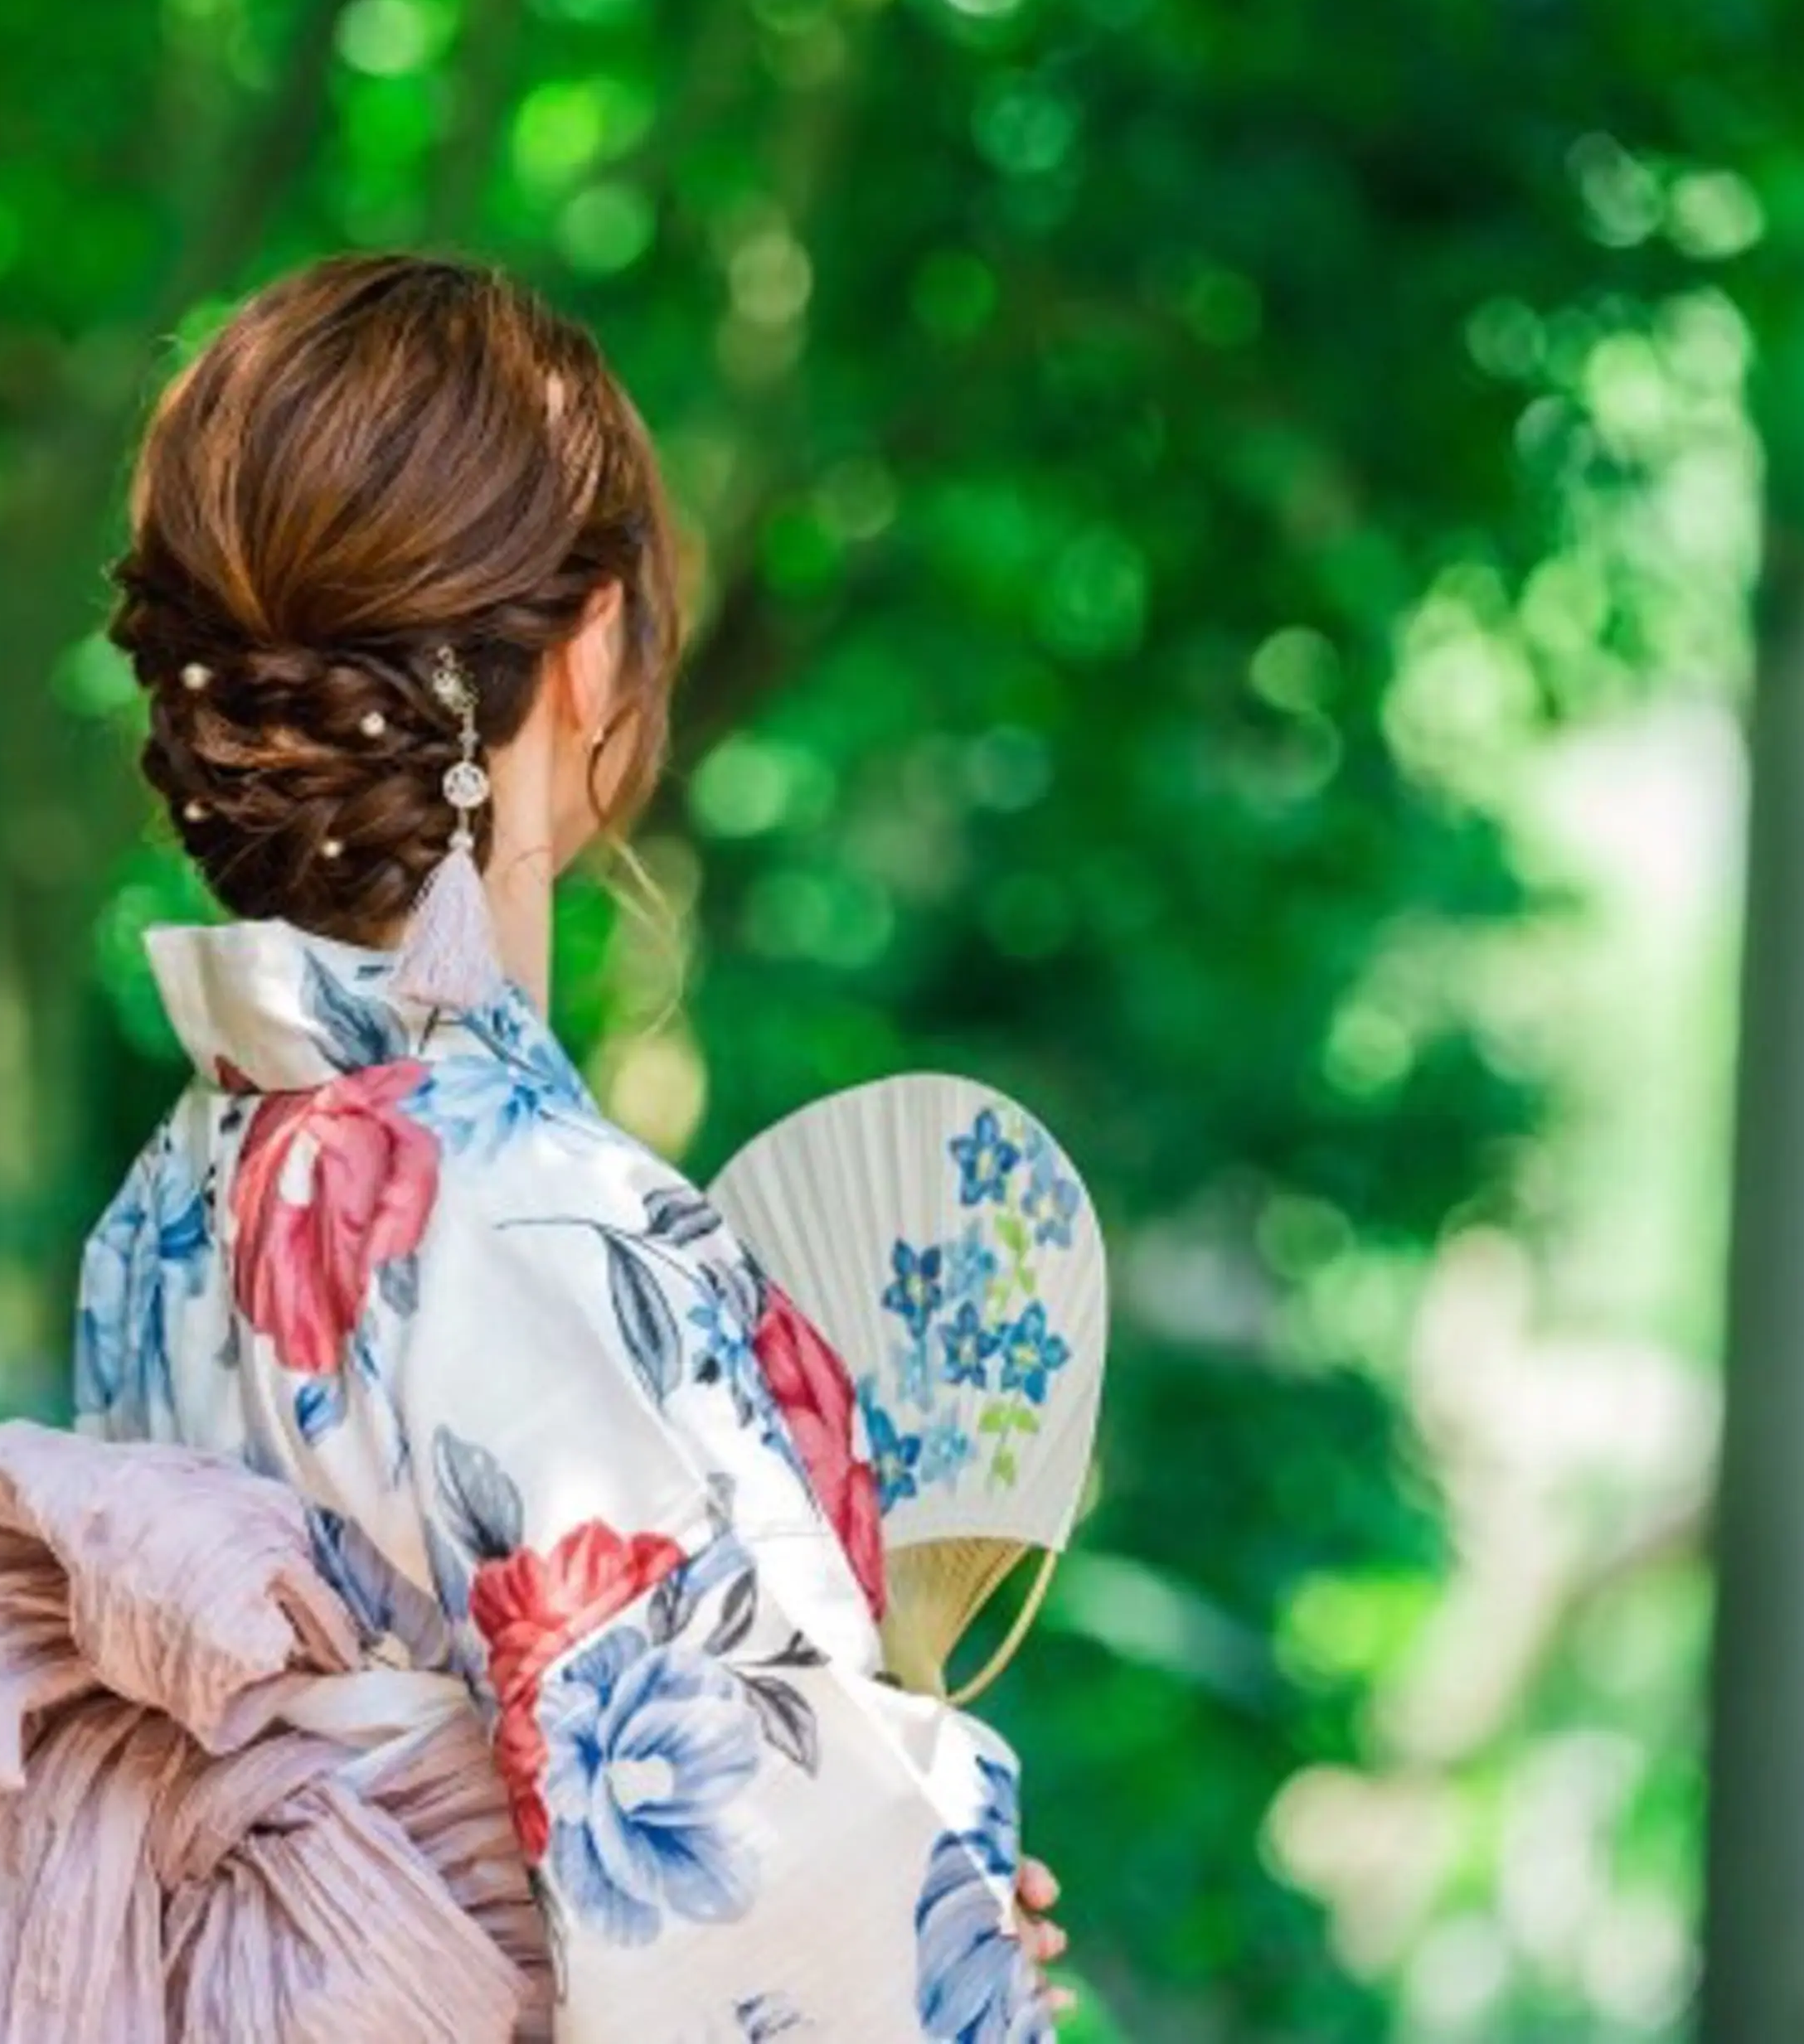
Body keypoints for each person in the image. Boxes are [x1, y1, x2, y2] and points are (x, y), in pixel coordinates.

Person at [78, 251, 1071, 2039]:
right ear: (595, 642)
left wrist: (918, 1883)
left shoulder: (173, 1200)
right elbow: (764, 1940)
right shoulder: (531, 1218)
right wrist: (934, 1913)